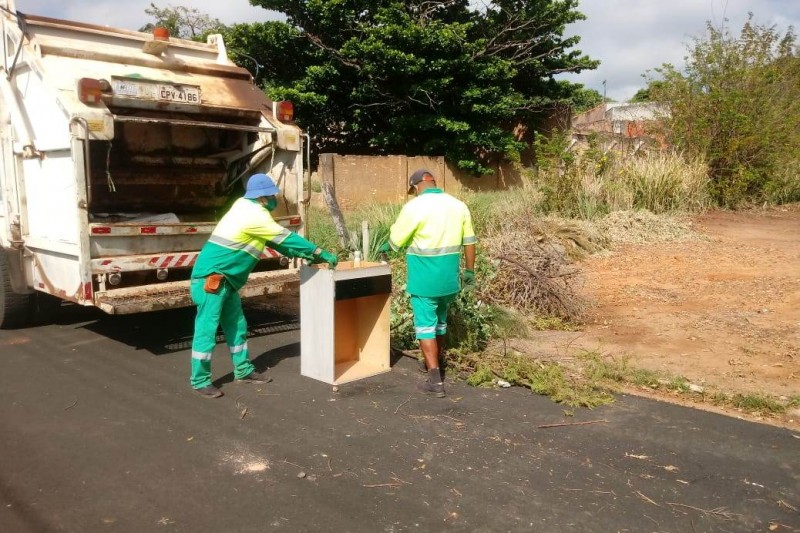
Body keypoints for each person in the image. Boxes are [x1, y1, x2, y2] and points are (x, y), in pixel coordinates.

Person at [189, 173, 338, 398]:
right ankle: (200, 380)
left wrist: (308, 256)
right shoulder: (253, 215)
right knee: (206, 331)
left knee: (237, 325)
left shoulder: (245, 208)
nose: (274, 199)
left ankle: (243, 370)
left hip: (225, 281)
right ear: (262, 197)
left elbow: (280, 245)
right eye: (272, 195)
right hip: (212, 281)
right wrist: (318, 252)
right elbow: (286, 238)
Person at [387, 169, 477, 397]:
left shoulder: (414, 207)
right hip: (449, 280)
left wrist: (385, 247)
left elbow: (396, 241)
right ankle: (436, 362)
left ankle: (435, 381)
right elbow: (469, 242)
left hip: (424, 279)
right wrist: (469, 272)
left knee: (425, 326)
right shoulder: (458, 205)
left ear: (416, 186)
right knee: (440, 321)